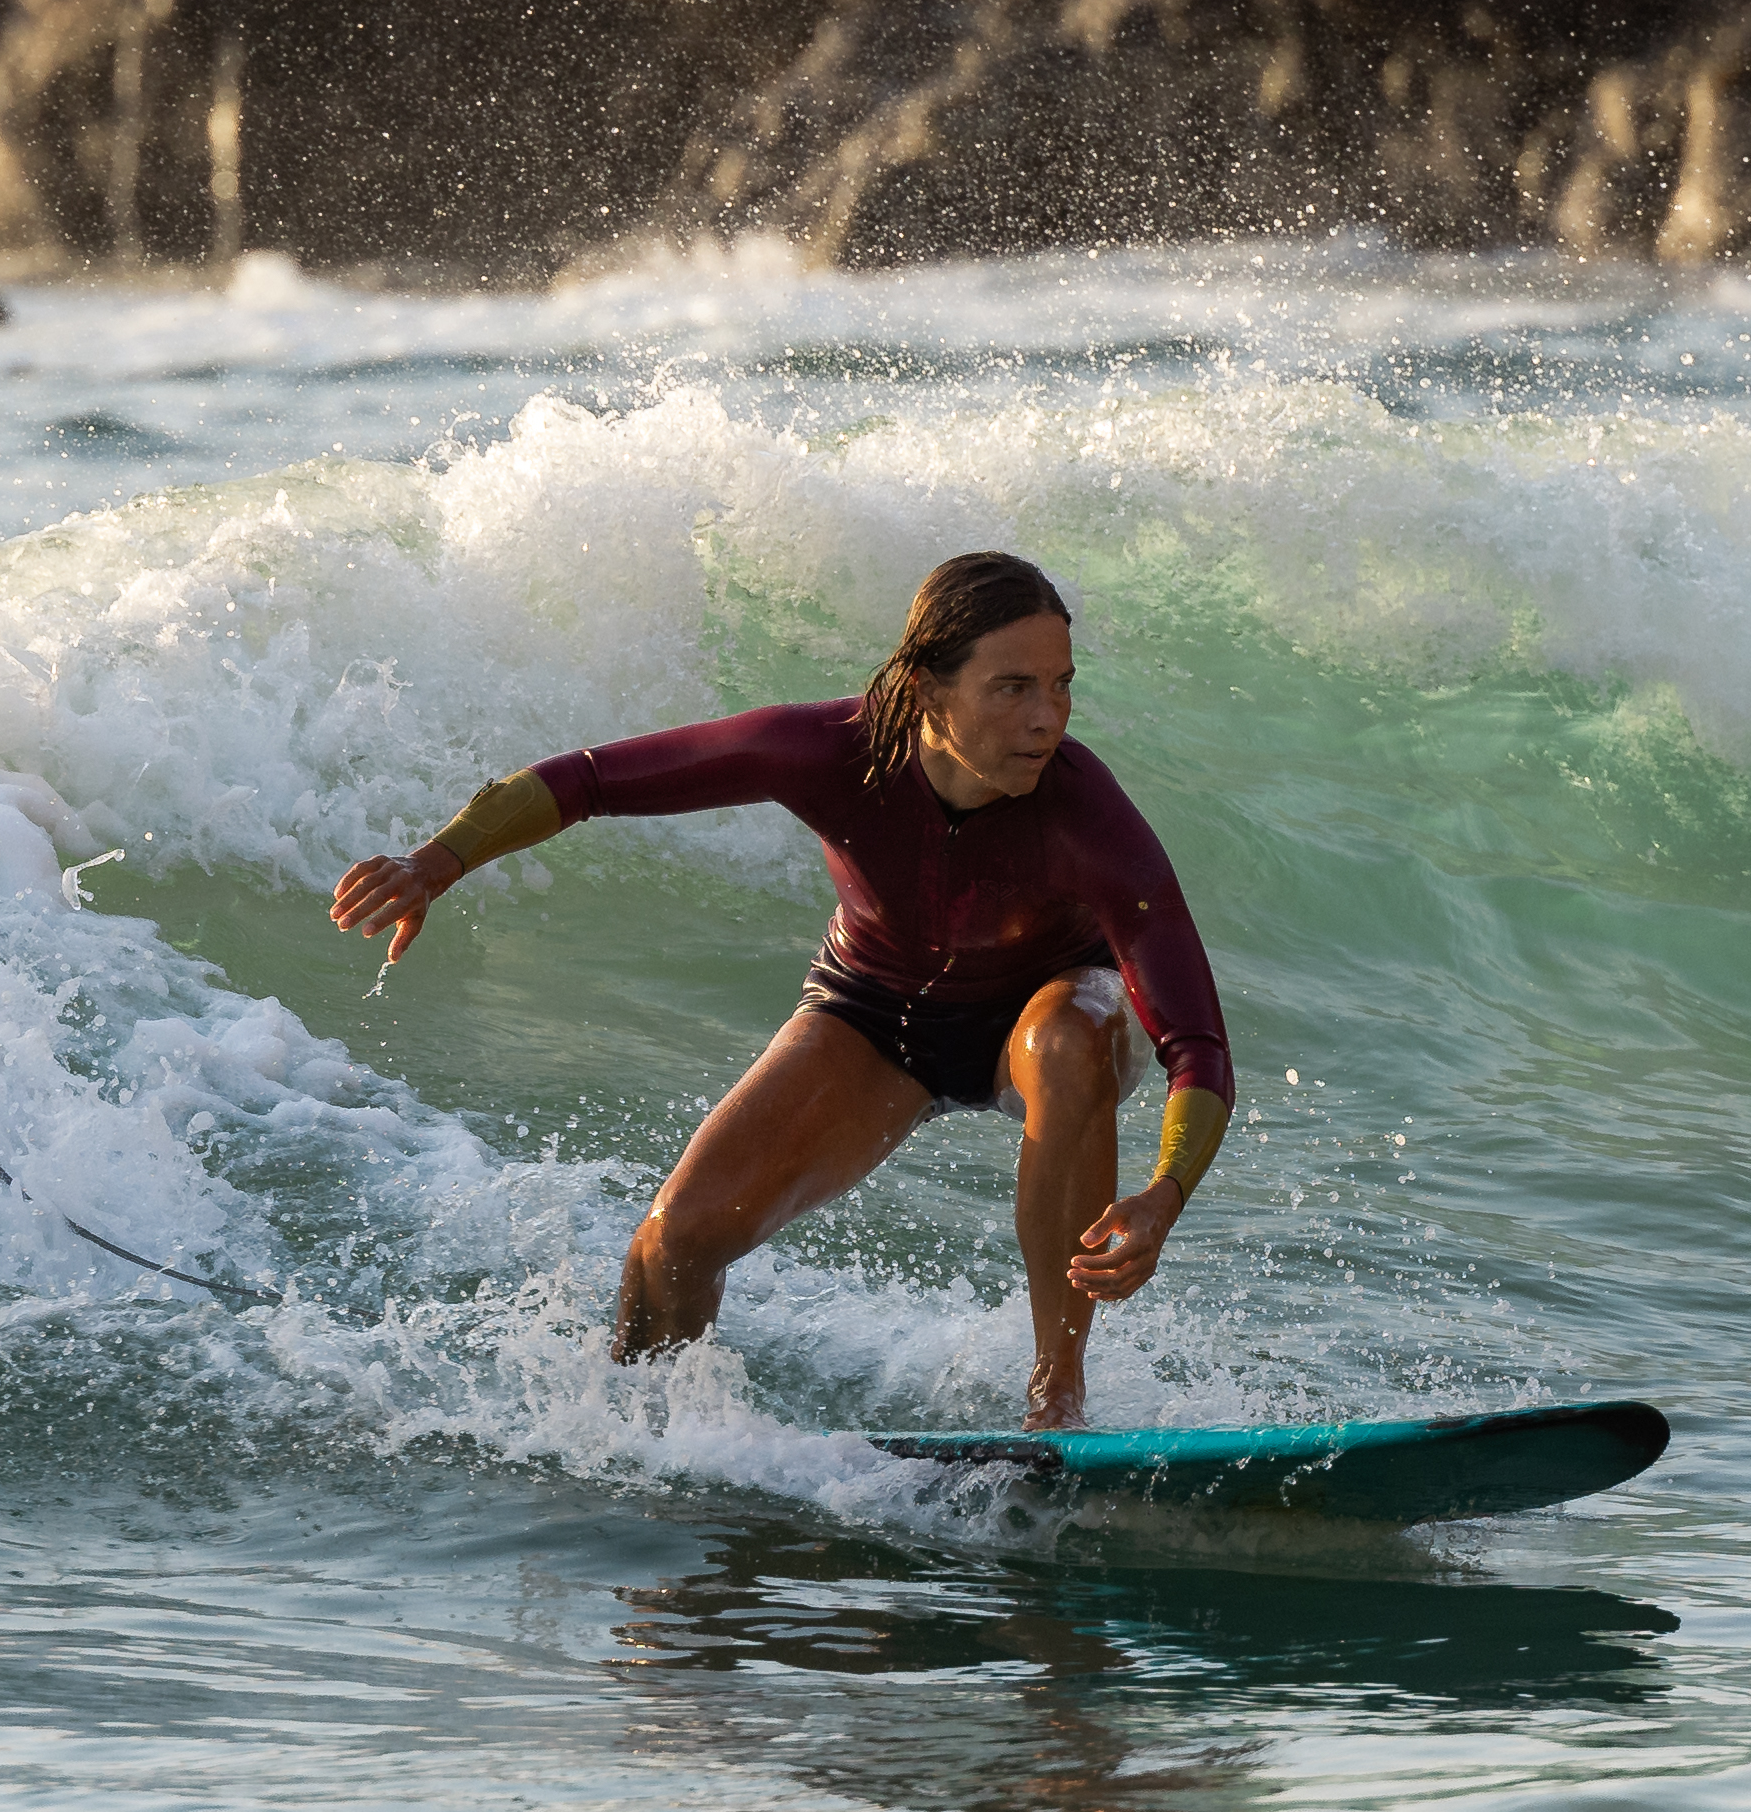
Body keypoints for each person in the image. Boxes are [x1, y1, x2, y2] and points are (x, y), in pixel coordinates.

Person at [330, 550, 1233, 1430]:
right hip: (878, 1014)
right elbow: (593, 780)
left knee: (1067, 1036)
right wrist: (438, 860)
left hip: (1048, 1010)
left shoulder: (1087, 814)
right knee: (674, 1241)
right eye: (1014, 687)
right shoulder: (830, 751)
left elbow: (1196, 1044)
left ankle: (1057, 1403)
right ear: (927, 687)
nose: (1049, 718)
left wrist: (1164, 1192)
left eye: (1062, 684)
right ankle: (645, 1435)